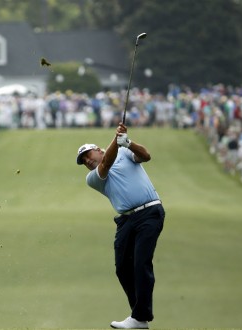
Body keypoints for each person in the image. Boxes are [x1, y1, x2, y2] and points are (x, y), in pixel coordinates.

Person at [76, 122, 165, 329]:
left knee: (141, 262)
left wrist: (129, 143)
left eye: (89, 155)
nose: (88, 161)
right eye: (84, 161)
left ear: (98, 149)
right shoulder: (93, 178)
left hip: (150, 212)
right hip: (126, 220)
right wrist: (117, 140)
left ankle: (140, 317)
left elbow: (146, 156)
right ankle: (139, 318)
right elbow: (106, 163)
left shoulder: (124, 153)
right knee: (122, 268)